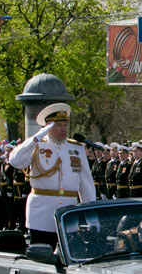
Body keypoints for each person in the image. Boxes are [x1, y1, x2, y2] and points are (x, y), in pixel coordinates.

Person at [8, 102, 96, 247]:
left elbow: (86, 184)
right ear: (47, 126)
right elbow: (15, 161)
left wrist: (91, 217)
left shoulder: (75, 148)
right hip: (42, 213)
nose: (63, 129)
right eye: (58, 125)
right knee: (41, 254)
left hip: (68, 212)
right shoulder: (37, 145)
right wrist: (35, 138)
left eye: (65, 125)